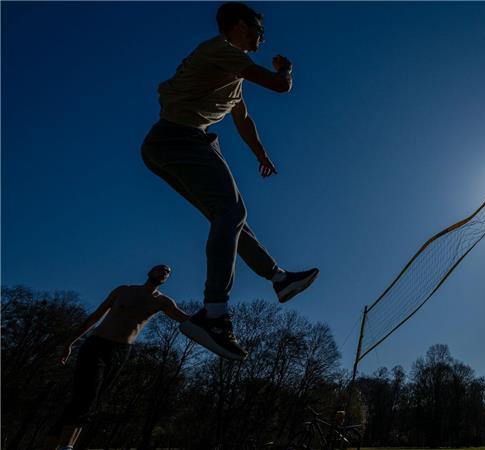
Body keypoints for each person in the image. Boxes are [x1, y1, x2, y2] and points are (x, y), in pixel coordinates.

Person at [140, 2, 319, 361]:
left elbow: (243, 119)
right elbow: (279, 86)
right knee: (231, 214)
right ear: (237, 27)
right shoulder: (220, 51)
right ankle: (214, 315)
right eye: (255, 32)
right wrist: (286, 70)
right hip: (180, 137)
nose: (260, 39)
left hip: (170, 144)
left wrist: (261, 155)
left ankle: (279, 278)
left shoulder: (230, 71)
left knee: (230, 220)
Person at [45, 265, 188, 450]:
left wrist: (212, 318)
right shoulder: (124, 291)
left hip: (121, 352)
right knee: (88, 395)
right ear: (150, 272)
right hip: (97, 345)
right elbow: (95, 316)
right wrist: (70, 342)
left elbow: (185, 318)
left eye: (167, 272)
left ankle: (52, 444)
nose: (164, 273)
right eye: (160, 269)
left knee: (91, 399)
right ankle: (66, 446)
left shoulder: (163, 302)